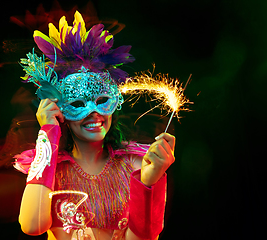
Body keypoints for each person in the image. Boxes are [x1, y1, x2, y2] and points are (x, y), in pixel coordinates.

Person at [13, 11, 175, 240]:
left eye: (101, 101)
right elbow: (32, 225)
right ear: (59, 108)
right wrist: (48, 134)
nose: (94, 113)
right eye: (78, 103)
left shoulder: (137, 165)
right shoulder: (49, 168)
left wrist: (148, 183)